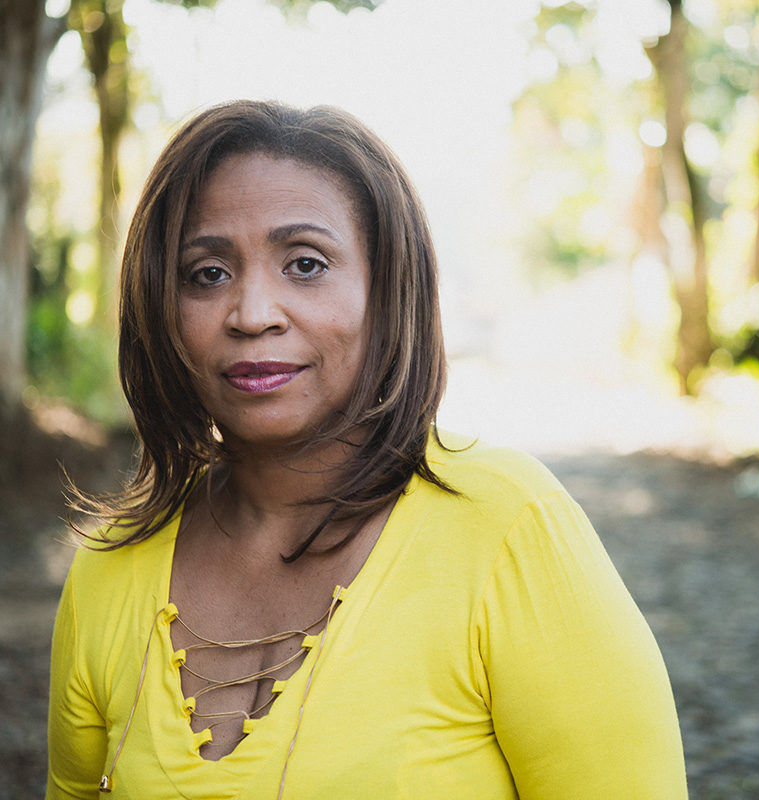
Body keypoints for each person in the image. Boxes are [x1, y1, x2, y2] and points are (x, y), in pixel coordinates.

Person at [47, 99, 687, 800]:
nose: (253, 313)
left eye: (306, 264)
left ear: (387, 290)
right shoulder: (108, 570)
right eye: (207, 273)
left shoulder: (507, 528)